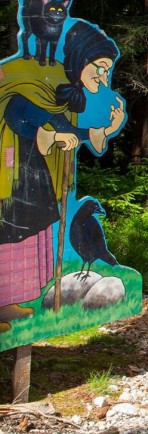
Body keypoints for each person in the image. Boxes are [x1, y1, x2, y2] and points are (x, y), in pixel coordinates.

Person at [0, 21, 125, 330]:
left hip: (35, 173)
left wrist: (107, 129)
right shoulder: (40, 79)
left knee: (31, 232)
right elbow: (16, 115)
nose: (103, 76)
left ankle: (11, 302)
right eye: (100, 67)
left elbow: (66, 128)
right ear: (82, 59)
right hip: (15, 169)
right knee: (10, 232)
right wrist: (51, 138)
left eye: (107, 70)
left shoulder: (65, 89)